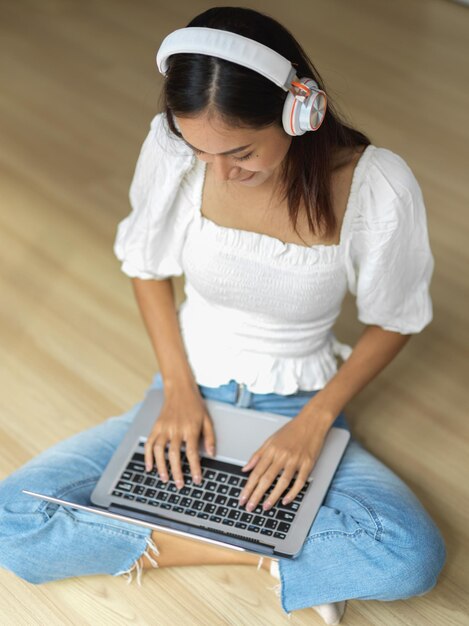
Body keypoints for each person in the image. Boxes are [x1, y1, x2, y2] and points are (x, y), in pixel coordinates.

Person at [0, 6, 446, 625]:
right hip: (187, 391)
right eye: (200, 151)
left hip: (301, 402)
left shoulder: (376, 184)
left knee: (410, 556)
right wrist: (179, 391)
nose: (219, 171)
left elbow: (396, 318)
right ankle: (274, 552)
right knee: (11, 521)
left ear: (299, 114)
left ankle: (200, 536)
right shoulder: (174, 147)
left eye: (239, 152)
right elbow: (147, 266)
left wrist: (314, 423)